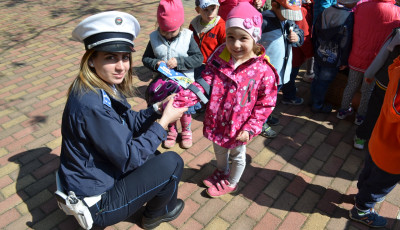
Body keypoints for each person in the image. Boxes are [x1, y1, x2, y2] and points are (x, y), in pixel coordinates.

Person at [58, 11, 188, 229]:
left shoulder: (99, 85)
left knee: (155, 157)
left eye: (125, 57)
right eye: (110, 57)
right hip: (96, 203)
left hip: (96, 176)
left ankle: (160, 206)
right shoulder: (92, 105)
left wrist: (157, 108)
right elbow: (130, 158)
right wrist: (163, 122)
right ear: (91, 61)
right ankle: (156, 214)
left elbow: (127, 120)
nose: (121, 66)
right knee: (172, 162)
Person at [173, 2, 279, 197]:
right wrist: (184, 98)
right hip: (217, 119)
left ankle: (232, 181)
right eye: (231, 37)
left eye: (243, 38)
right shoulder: (221, 54)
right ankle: (222, 170)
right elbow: (206, 78)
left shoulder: (263, 70)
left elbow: (266, 103)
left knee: (238, 155)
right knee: (219, 149)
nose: (236, 44)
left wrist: (251, 128)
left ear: (254, 38)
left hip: (240, 127)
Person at [142, 0, 203, 149]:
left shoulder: (187, 37)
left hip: (184, 82)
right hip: (165, 83)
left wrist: (180, 62)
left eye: (173, 32)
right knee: (168, 107)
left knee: (184, 108)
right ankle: (172, 129)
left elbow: (198, 58)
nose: (168, 35)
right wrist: (156, 63)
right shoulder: (154, 38)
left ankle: (186, 130)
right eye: (164, 31)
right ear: (159, 26)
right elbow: (146, 58)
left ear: (180, 26)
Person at [349, 55, 400, 228]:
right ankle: (361, 210)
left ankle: (361, 193)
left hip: (379, 138)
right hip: (392, 158)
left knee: (369, 172)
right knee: (378, 186)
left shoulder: (397, 68)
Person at [336, 0, 400, 125]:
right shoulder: (397, 12)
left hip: (356, 56)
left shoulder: (362, 6)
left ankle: (342, 111)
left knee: (351, 85)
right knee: (367, 91)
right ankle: (360, 117)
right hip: (375, 62)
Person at [258, 0, 304, 138]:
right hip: (267, 72)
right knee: (263, 99)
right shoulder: (263, 21)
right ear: (274, 5)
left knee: (272, 98)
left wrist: (297, 37)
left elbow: (298, 31)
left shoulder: (288, 20)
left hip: (282, 71)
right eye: (286, 13)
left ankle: (266, 116)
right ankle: (260, 123)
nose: (289, 16)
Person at [353, 27, 400, 149]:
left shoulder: (398, 33)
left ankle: (361, 138)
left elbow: (382, 56)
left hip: (386, 81)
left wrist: (369, 74)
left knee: (374, 110)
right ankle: (382, 143)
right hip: (394, 88)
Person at [310, 0, 356, 113]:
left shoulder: (326, 10)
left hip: (319, 51)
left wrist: (315, 48)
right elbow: (346, 41)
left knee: (316, 78)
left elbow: (315, 29)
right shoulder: (349, 16)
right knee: (323, 82)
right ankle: (317, 105)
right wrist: (344, 60)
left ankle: (312, 100)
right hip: (333, 57)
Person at [190, 0, 226, 78]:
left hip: (211, 67)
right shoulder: (193, 25)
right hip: (194, 63)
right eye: (205, 9)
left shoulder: (221, 27)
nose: (210, 13)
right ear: (198, 10)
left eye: (213, 9)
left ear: (217, 7)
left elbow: (226, 48)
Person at [292, 0, 314, 85]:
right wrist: (310, 53)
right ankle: (289, 95)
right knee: (291, 76)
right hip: (295, 54)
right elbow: (304, 37)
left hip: (291, 52)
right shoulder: (300, 11)